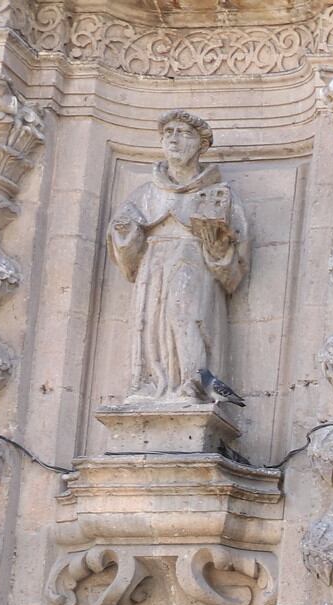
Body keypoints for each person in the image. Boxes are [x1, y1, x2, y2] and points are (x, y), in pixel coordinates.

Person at [107, 110, 251, 405]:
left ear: (201, 145)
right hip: (154, 266)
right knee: (150, 322)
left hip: (193, 265)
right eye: (168, 132)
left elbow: (236, 253)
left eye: (183, 133)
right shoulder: (144, 194)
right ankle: (150, 385)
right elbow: (123, 245)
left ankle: (191, 385)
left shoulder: (218, 195)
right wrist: (126, 233)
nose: (173, 138)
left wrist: (216, 243)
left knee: (185, 316)